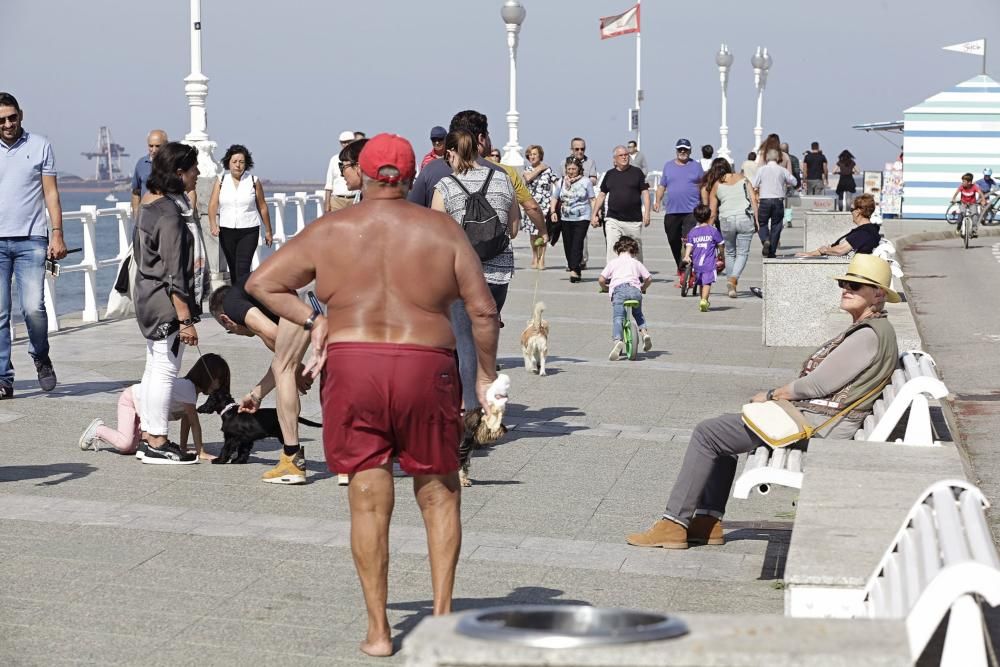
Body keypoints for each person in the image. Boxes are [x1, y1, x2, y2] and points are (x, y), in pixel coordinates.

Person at [246, 133, 500, 658]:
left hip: (353, 366)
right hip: (425, 366)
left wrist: (314, 319)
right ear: (411, 176)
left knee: (366, 495)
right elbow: (483, 311)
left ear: (358, 175)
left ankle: (380, 632)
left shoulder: (330, 229)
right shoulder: (442, 230)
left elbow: (262, 284)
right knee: (439, 492)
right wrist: (485, 377)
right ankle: (442, 624)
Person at [626, 253, 900, 549]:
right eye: (844, 283)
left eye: (855, 286)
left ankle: (673, 524)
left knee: (708, 433)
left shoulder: (868, 335)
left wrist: (772, 395)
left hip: (818, 428)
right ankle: (706, 523)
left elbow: (817, 384)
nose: (846, 289)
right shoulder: (875, 329)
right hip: (824, 421)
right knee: (722, 430)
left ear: (878, 294)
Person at [132, 142, 205, 464]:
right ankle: (158, 441)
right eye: (193, 169)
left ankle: (149, 435)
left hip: (147, 296)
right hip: (165, 302)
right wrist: (186, 319)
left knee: (153, 367)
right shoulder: (170, 214)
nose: (197, 174)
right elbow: (175, 272)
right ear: (179, 173)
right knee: (165, 370)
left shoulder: (149, 204)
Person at [209, 277, 313, 483]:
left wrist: (296, 366)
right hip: (322, 294)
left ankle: (292, 459)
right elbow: (283, 354)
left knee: (285, 369)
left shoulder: (233, 304)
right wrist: (257, 394)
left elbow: (274, 336)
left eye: (230, 331)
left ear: (226, 319)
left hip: (306, 299)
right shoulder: (258, 297)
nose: (237, 333)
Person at [0, 92, 65, 399]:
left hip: (31, 240)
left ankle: (40, 355)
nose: (7, 124)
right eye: (1, 120)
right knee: (0, 314)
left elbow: (51, 193)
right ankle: (3, 378)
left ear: (21, 115)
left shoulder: (40, 145)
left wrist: (57, 233)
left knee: (33, 308)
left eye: (12, 117)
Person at [79, 354, 230, 460]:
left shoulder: (191, 392)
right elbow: (194, 423)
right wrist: (201, 452)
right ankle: (98, 429)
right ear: (207, 376)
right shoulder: (187, 388)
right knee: (125, 445)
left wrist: (183, 448)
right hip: (131, 400)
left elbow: (187, 423)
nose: (220, 385)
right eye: (219, 380)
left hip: (143, 408)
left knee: (131, 449)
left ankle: (132, 434)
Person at [207, 144, 273, 284]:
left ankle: (242, 295)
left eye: (241, 162)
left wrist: (268, 231)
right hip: (227, 230)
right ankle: (238, 295)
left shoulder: (253, 181)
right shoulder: (221, 180)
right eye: (234, 161)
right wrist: (213, 224)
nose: (238, 165)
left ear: (246, 163)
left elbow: (262, 206)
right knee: (233, 269)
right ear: (228, 163)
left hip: (249, 230)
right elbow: (212, 205)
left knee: (242, 268)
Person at [653, 138, 704, 286]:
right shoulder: (668, 166)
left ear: (690, 151)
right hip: (672, 211)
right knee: (673, 240)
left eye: (685, 149)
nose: (683, 151)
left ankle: (689, 272)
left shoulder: (696, 166)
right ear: (676, 150)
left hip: (691, 211)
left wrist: (705, 205)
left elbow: (703, 186)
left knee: (689, 241)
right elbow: (662, 186)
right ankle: (681, 267)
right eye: (680, 149)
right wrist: (657, 201)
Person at [708, 159, 757, 298]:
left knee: (729, 252)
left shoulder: (716, 185)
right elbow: (753, 200)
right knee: (742, 252)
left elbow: (712, 213)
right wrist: (757, 220)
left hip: (726, 220)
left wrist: (708, 228)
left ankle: (731, 287)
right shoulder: (743, 179)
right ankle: (733, 280)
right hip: (744, 218)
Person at [593, 145, 650, 264]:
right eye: (621, 155)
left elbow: (645, 193)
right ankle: (612, 271)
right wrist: (594, 214)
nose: (624, 157)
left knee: (635, 250)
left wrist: (647, 213)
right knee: (612, 248)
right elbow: (602, 194)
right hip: (613, 219)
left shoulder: (637, 173)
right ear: (615, 159)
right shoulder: (610, 174)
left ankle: (638, 271)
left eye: (626, 155)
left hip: (633, 220)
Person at [599, 235, 652, 360]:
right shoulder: (636, 263)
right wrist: (643, 288)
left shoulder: (613, 263)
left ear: (617, 249)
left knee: (618, 317)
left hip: (619, 291)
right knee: (638, 314)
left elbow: (601, 279)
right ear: (634, 251)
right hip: (635, 290)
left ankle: (618, 341)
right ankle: (644, 334)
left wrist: (605, 287)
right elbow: (649, 278)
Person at [551, 157, 594, 283]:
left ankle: (574, 270)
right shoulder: (561, 182)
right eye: (569, 169)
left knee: (577, 243)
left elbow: (592, 199)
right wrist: (553, 211)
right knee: (568, 244)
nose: (571, 171)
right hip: (566, 217)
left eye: (574, 169)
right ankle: (575, 268)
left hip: (582, 217)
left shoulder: (586, 182)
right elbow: (555, 197)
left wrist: (595, 214)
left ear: (579, 169)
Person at [798, 194, 882, 257]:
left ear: (858, 211)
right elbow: (836, 248)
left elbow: (840, 250)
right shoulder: (868, 230)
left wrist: (825, 250)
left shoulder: (864, 232)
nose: (851, 213)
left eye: (851, 209)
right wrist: (810, 254)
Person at [751, 149, 796, 258]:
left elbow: (754, 184)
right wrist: (785, 183)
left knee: (762, 223)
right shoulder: (782, 170)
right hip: (778, 201)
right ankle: (772, 252)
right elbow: (794, 181)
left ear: (766, 158)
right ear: (778, 158)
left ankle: (765, 239)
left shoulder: (761, 170)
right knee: (776, 225)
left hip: (765, 200)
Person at [682, 204, 725, 312]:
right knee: (707, 283)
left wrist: (686, 256)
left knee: (701, 282)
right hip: (709, 262)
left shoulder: (693, 231)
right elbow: (721, 244)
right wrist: (721, 254)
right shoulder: (713, 231)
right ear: (709, 216)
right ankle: (704, 300)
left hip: (697, 263)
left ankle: (703, 301)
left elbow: (689, 245)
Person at [523, 144, 555, 269]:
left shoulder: (548, 170)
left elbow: (556, 182)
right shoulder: (527, 169)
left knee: (543, 232)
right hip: (531, 205)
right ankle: (535, 256)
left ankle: (542, 258)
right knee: (533, 234)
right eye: (530, 154)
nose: (532, 156)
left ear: (540, 155)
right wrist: (541, 168)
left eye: (535, 154)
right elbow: (528, 178)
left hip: (545, 205)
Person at [130, 129, 167, 216]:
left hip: (166, 215)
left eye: (157, 146)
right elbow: (136, 191)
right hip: (146, 216)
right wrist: (136, 215)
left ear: (166, 145)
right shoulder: (141, 163)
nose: (154, 150)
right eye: (151, 146)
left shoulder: (172, 163)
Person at [324, 131, 358, 213]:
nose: (346, 144)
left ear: (354, 141)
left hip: (355, 200)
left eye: (349, 142)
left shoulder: (358, 158)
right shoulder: (334, 159)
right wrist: (327, 204)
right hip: (337, 201)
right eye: (343, 142)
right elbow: (329, 184)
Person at [950, 172, 987, 238]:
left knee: (975, 215)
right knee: (961, 214)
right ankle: (958, 227)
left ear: (969, 182)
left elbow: (981, 194)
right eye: (962, 181)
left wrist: (983, 200)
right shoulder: (961, 187)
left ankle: (974, 231)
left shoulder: (974, 187)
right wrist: (953, 199)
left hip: (972, 204)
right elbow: (956, 193)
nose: (962, 182)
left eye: (964, 181)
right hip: (963, 203)